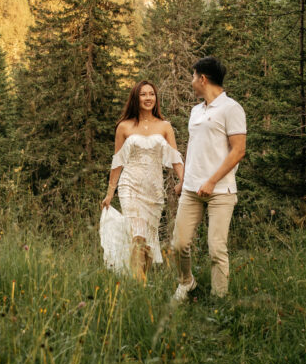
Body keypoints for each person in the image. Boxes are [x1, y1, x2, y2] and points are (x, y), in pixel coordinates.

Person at [171, 57, 246, 302]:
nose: (191, 82)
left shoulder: (231, 108)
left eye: (193, 77)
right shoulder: (196, 111)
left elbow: (238, 150)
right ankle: (187, 283)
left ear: (203, 79)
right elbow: (193, 147)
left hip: (221, 191)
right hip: (191, 189)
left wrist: (212, 181)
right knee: (179, 244)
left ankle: (219, 301)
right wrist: (184, 180)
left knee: (216, 250)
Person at [101, 80, 184, 281]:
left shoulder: (164, 126)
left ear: (156, 98)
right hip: (130, 186)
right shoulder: (124, 127)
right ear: (136, 98)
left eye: (151, 94)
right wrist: (110, 193)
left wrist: (184, 181)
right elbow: (117, 162)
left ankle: (139, 281)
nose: (148, 98)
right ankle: (140, 285)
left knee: (147, 241)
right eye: (143, 94)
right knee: (137, 235)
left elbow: (175, 158)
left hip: (154, 190)